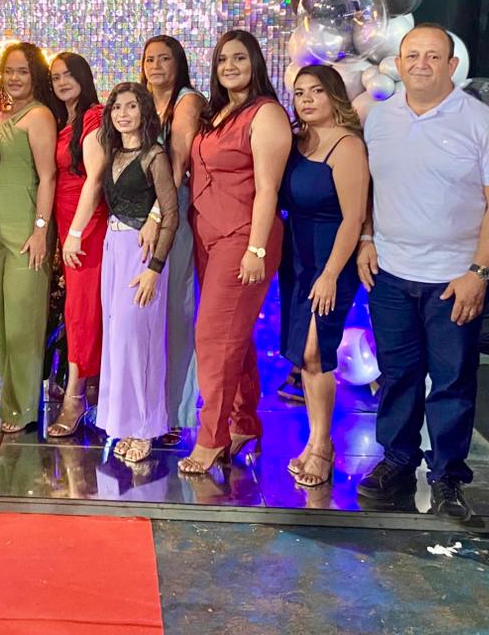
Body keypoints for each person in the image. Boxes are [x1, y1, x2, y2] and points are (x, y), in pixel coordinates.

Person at [356, 23, 489, 520]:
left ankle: (448, 477)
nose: (421, 64)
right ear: (398, 64)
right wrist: (365, 238)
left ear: (452, 65)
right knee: (398, 376)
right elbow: (366, 188)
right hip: (390, 275)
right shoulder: (378, 118)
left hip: (454, 279)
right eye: (412, 55)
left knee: (451, 382)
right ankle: (398, 462)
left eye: (432, 56)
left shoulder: (481, 123)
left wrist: (479, 272)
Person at [181, 30, 291, 475]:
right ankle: (243, 422)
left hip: (244, 237)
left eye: (239, 58)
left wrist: (256, 249)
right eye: (223, 59)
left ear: (255, 63)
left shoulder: (266, 114)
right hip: (207, 235)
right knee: (233, 336)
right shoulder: (218, 112)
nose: (230, 66)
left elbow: (268, 189)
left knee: (213, 338)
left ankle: (212, 437)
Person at [63, 83, 178, 464]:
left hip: (142, 256)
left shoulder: (154, 156)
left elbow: (171, 214)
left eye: (131, 106)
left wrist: (155, 269)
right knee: (118, 341)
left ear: (144, 111)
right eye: (117, 107)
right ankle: (125, 425)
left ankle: (145, 427)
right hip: (113, 249)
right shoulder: (112, 153)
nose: (123, 114)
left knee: (139, 340)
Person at [279, 65, 368, 489]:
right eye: (299, 93)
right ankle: (316, 440)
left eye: (316, 91)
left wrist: (331, 273)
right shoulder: (296, 142)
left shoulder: (347, 146)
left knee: (316, 351)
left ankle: (321, 445)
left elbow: (354, 218)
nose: (306, 100)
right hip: (296, 257)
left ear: (334, 95)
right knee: (304, 355)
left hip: (331, 258)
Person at [0, 42, 59, 433]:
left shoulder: (39, 115)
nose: (14, 77)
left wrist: (41, 230)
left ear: (35, 75)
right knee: (1, 321)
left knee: (22, 325)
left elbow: (48, 176)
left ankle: (25, 408)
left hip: (27, 231)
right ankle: (11, 403)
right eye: (9, 70)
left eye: (22, 71)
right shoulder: (3, 113)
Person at [140, 34, 207, 443]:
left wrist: (157, 214)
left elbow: (178, 160)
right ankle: (143, 405)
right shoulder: (140, 101)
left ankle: (175, 410)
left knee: (176, 313)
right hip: (137, 217)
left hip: (172, 213)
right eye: (149, 59)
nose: (156, 66)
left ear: (178, 63)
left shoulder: (187, 100)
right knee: (143, 313)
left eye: (164, 59)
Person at [46, 51, 107, 438]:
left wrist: (75, 232)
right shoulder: (62, 120)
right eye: (55, 77)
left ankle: (75, 397)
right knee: (79, 310)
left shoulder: (93, 117)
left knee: (82, 311)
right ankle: (92, 388)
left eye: (69, 74)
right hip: (67, 221)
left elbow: (96, 178)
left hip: (86, 226)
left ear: (84, 77)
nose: (62, 81)